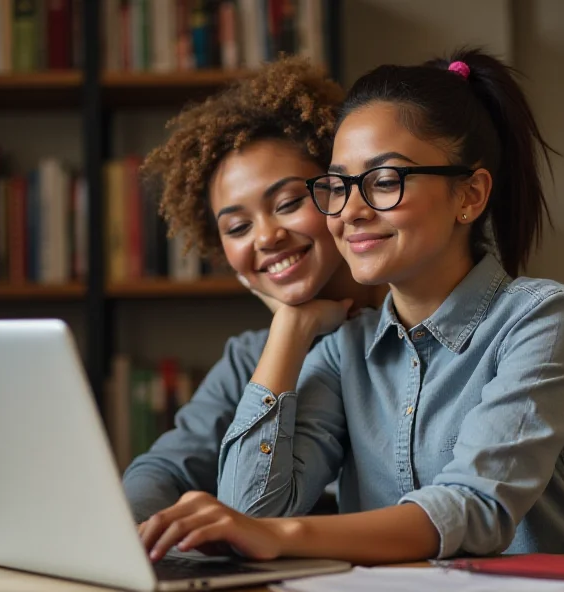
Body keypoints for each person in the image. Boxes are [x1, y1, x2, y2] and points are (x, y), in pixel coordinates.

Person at [138, 47, 564, 563]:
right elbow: (252, 514)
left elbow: (477, 507)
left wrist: (285, 537)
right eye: (339, 186)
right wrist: (291, 326)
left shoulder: (543, 318)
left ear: (469, 196)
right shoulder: (342, 349)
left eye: (386, 180)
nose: (351, 210)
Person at [123, 56, 375, 525]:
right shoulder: (249, 357)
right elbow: (161, 470)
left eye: (288, 203)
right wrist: (134, 538)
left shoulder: (408, 331)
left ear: (338, 191)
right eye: (237, 227)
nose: (265, 237)